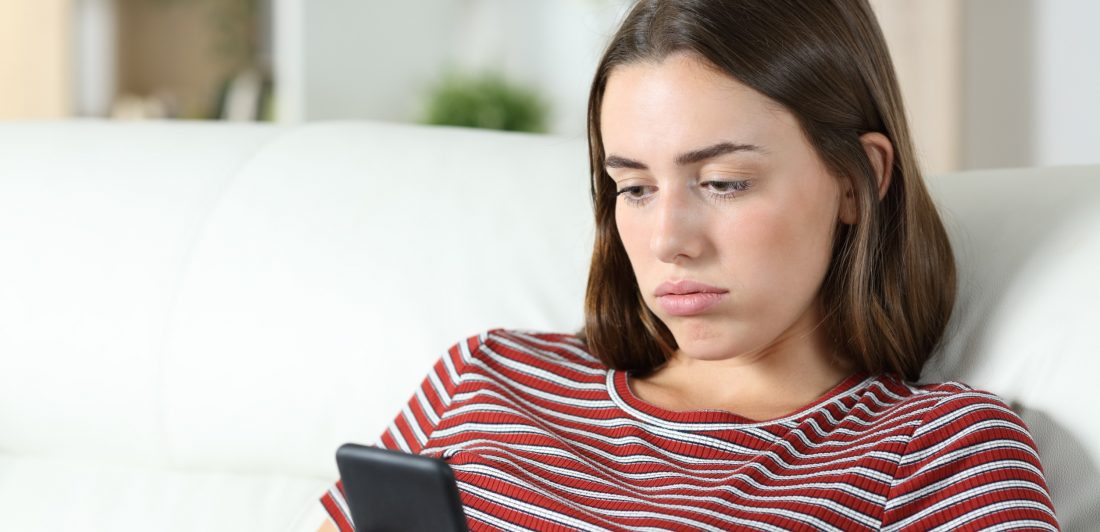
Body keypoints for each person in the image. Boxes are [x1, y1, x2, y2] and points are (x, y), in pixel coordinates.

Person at [317, 0, 1059, 529]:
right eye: (634, 188)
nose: (670, 238)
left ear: (856, 180)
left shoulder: (940, 453)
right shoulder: (484, 375)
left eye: (724, 182)